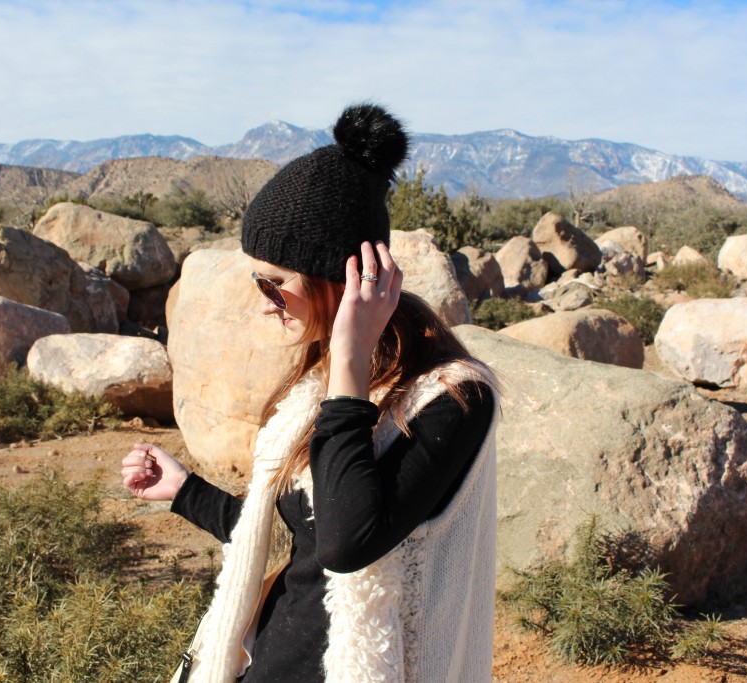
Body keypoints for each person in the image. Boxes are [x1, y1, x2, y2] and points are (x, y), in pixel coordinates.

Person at [121, 103, 499, 683]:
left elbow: (351, 543)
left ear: (339, 280)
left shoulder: (452, 398)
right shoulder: (322, 382)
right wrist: (186, 492)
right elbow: (309, 537)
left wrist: (347, 365)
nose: (264, 301)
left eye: (274, 285)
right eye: (257, 281)